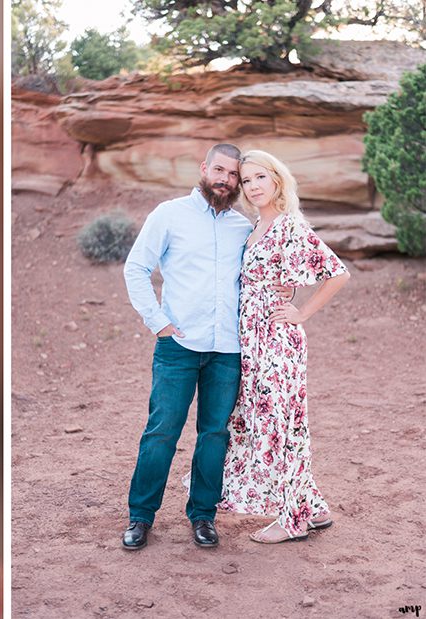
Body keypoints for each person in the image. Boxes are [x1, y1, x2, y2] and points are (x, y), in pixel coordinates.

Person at [120, 143, 252, 550]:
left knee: (214, 435)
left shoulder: (244, 227)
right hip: (178, 346)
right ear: (204, 168)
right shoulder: (169, 214)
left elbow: (262, 278)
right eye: (220, 170)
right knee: (162, 432)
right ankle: (141, 517)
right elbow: (137, 267)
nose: (225, 180)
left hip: (227, 349)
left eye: (233, 175)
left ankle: (203, 516)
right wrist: (158, 323)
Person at [217, 150, 349, 543]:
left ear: (277, 179)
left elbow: (337, 273)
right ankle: (312, 507)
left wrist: (302, 311)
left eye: (260, 177)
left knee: (281, 427)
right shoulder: (257, 225)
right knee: (270, 424)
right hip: (253, 343)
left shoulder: (288, 225)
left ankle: (292, 521)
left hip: (277, 344)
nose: (253, 186)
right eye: (246, 181)